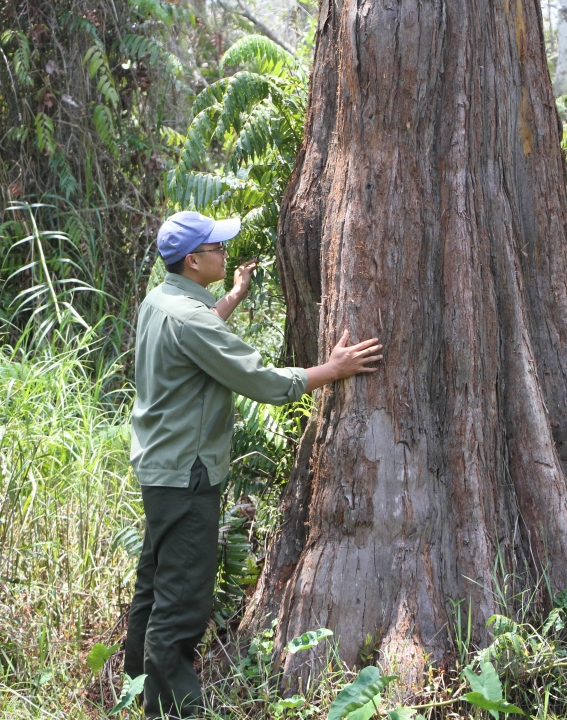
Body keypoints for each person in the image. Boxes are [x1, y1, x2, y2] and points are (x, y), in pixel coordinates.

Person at [123, 210, 383, 718]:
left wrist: (234, 295)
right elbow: (260, 381)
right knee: (181, 607)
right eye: (217, 248)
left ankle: (135, 696)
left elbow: (195, 338)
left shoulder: (163, 302)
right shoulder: (189, 318)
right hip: (188, 477)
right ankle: (172, 713)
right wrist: (332, 369)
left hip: (161, 469)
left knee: (153, 588)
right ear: (194, 260)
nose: (225, 254)